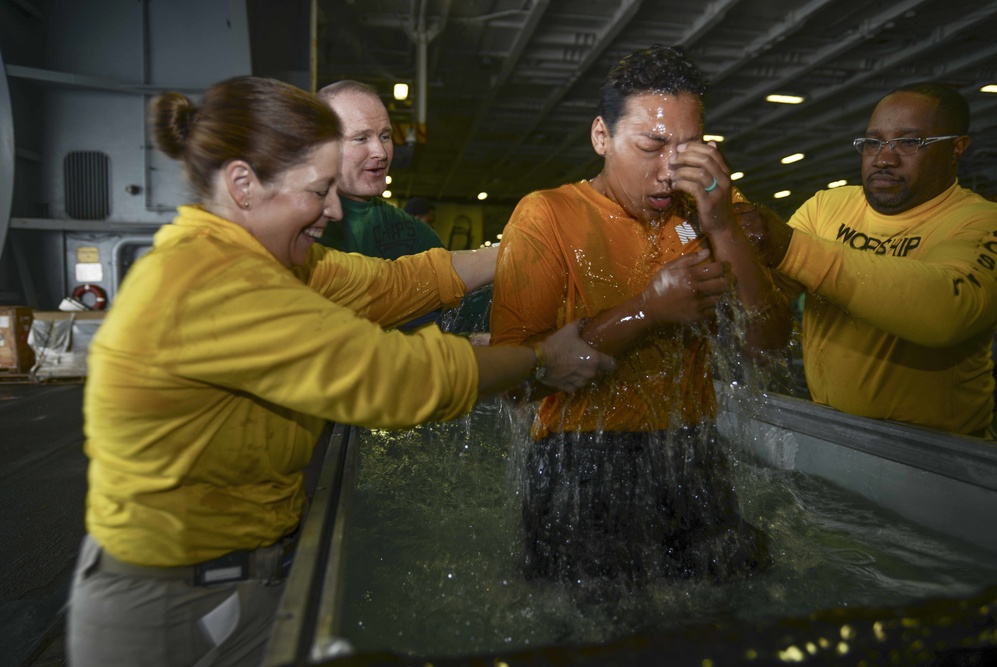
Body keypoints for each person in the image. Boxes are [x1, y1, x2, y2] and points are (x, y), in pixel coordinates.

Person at [65, 75, 614, 667]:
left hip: (230, 579)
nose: (332, 209)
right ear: (243, 185)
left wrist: (531, 249)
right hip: (172, 612)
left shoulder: (266, 258)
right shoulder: (212, 283)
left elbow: (395, 283)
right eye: (319, 190)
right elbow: (393, 377)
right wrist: (539, 359)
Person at [490, 46, 791, 587]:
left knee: (733, 602)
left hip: (691, 451)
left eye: (691, 148)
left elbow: (767, 345)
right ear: (601, 136)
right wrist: (647, 312)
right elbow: (516, 383)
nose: (672, 168)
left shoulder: (707, 207)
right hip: (579, 460)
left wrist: (722, 224)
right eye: (652, 145)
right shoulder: (548, 215)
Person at [745, 82, 997, 438]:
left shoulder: (983, 222)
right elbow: (766, 300)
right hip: (834, 433)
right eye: (873, 142)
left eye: (910, 142)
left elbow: (948, 311)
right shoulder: (827, 207)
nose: (884, 158)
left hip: (939, 456)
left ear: (957, 148)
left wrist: (790, 247)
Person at [315, 80, 448, 330]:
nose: (381, 152)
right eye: (361, 138)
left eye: (385, 136)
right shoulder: (297, 231)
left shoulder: (413, 234)